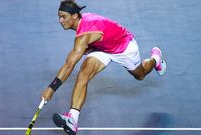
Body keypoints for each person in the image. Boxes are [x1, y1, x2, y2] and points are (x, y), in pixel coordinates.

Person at [41, 0, 167, 135]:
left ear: (75, 16)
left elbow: (69, 65)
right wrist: (89, 48)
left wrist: (51, 88)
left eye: (63, 16)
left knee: (140, 74)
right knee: (83, 74)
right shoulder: (83, 25)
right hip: (102, 48)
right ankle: (72, 119)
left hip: (124, 47)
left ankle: (156, 59)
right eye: (59, 16)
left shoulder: (83, 36)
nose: (60, 20)